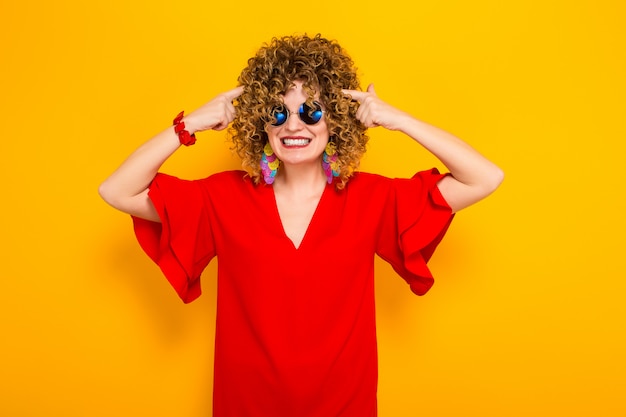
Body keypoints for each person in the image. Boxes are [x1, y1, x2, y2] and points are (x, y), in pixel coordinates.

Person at [99, 34, 503, 417]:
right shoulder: (222, 198)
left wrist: (399, 120)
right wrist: (189, 126)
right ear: (262, 122)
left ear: (336, 120)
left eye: (310, 111)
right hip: (247, 404)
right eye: (279, 112)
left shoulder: (372, 199)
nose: (293, 125)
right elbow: (117, 190)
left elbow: (484, 177)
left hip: (344, 405)